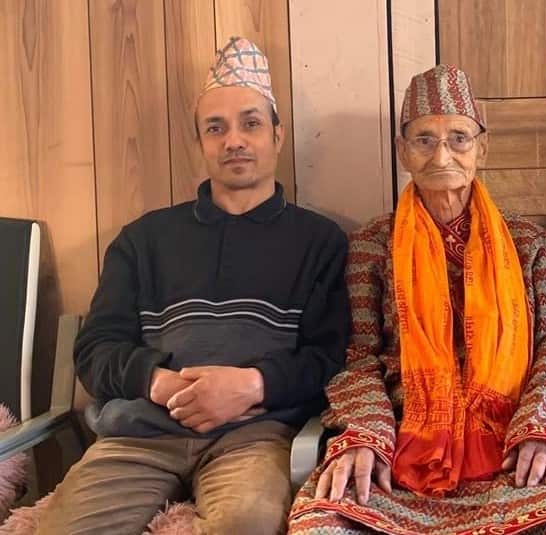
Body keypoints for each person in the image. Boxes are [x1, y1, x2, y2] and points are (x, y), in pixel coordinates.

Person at [289, 64, 546, 535]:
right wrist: (366, 436)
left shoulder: (528, 243)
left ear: (481, 149)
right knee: (320, 527)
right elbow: (354, 355)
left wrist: (544, 428)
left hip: (515, 442)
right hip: (403, 441)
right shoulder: (372, 246)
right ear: (402, 151)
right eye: (424, 139)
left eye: (459, 138)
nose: (442, 153)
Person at [36, 37, 349, 535]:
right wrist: (158, 383)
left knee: (248, 523)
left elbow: (330, 357)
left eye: (250, 123)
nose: (234, 141)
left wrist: (251, 385)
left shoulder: (320, 241)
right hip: (137, 437)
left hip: (254, 435)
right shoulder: (144, 239)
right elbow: (95, 350)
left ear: (278, 135)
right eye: (215, 128)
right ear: (200, 142)